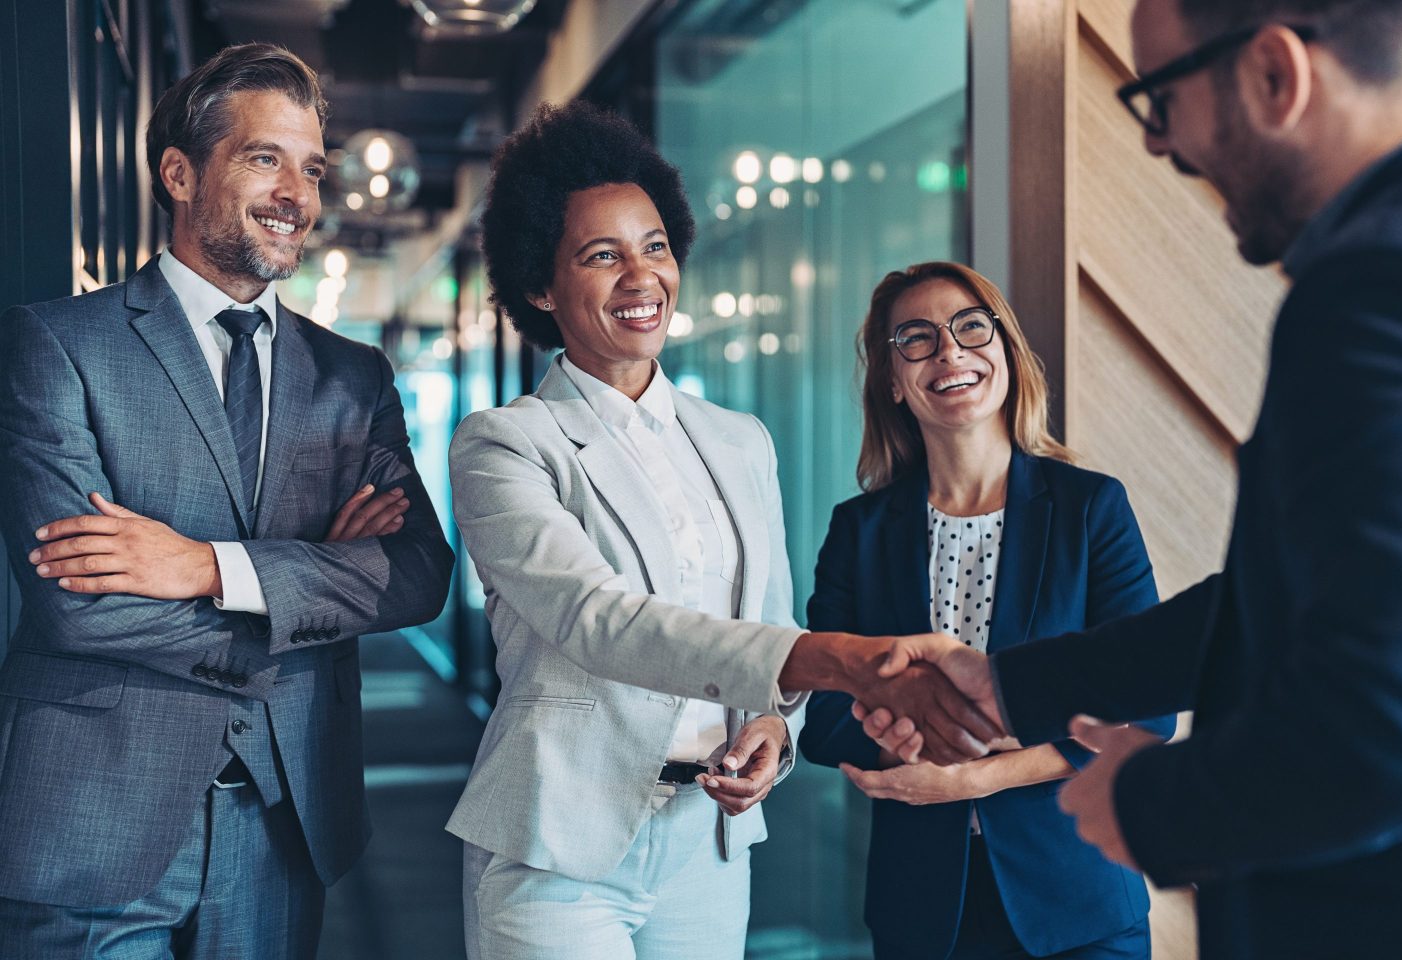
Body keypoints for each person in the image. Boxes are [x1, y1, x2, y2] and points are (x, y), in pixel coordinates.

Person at [858, 1, 1402, 957]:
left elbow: (1394, 716)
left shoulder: (1376, 291)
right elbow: (1287, 600)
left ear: (1273, 74)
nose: (1160, 141)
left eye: (1157, 97)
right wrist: (1008, 683)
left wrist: (1150, 802)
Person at [444, 101, 1004, 960]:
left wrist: (775, 734)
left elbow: (768, 632)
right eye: (603, 255)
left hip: (708, 843)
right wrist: (840, 657)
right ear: (539, 285)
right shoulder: (507, 445)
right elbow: (600, 621)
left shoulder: (739, 441)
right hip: (561, 845)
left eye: (656, 246)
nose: (642, 278)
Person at [0, 43, 454, 958]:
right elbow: (77, 609)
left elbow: (415, 576)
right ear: (179, 171)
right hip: (95, 824)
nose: (299, 193)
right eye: (264, 158)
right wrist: (312, 590)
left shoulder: (353, 376)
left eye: (313, 168)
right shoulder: (57, 345)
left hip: (284, 827)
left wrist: (205, 568)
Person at [800, 262, 1173, 960]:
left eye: (971, 327)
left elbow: (1145, 711)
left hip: (1079, 904)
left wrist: (968, 774)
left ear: (1005, 350)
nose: (949, 352)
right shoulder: (860, 530)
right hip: (923, 908)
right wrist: (941, 738)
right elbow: (820, 712)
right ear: (891, 379)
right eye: (916, 338)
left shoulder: (1090, 509)